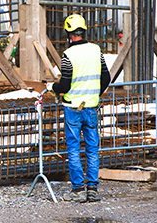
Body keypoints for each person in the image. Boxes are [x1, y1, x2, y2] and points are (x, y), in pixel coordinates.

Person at [50, 14, 111, 203]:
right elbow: (106, 78)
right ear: (83, 31)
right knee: (92, 149)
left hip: (73, 109)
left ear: (69, 34)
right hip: (91, 107)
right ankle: (92, 189)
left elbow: (65, 85)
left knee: (74, 149)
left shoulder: (68, 55)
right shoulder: (96, 50)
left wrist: (54, 87)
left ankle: (78, 190)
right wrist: (94, 93)